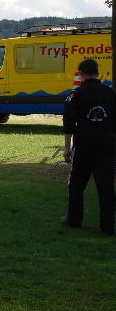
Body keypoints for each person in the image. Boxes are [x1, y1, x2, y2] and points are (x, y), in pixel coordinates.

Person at [62, 58, 116, 235]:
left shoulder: (75, 94)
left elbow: (68, 124)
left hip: (84, 145)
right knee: (106, 187)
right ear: (97, 73)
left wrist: (67, 148)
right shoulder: (110, 93)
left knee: (77, 185)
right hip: (107, 145)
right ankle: (107, 227)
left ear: (81, 74)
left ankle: (74, 220)